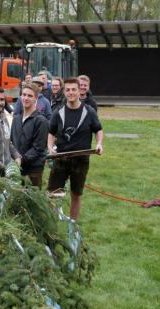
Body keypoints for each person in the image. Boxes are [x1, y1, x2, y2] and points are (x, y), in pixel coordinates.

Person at [46, 77, 104, 220]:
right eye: (68, 90)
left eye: (73, 89)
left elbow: (98, 130)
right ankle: (53, 223)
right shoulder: (59, 112)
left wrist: (99, 144)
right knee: (53, 193)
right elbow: (51, 132)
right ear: (64, 92)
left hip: (81, 159)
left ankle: (73, 224)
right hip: (61, 159)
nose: (71, 93)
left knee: (76, 194)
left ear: (79, 91)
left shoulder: (89, 111)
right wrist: (50, 147)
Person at [11, 83, 49, 188]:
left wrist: (21, 159)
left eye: (30, 96)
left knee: (31, 197)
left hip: (33, 169)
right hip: (17, 167)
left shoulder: (41, 121)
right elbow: (12, 141)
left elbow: (38, 147)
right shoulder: (16, 119)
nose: (26, 98)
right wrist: (14, 157)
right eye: (24, 95)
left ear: (36, 98)